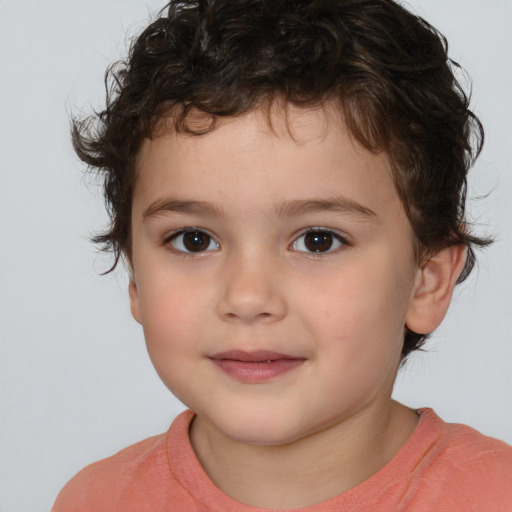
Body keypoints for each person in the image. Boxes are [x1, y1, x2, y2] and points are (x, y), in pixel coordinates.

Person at [52, 0, 512, 510]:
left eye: (318, 240)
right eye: (194, 240)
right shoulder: (94, 500)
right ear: (135, 276)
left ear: (426, 280)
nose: (248, 298)